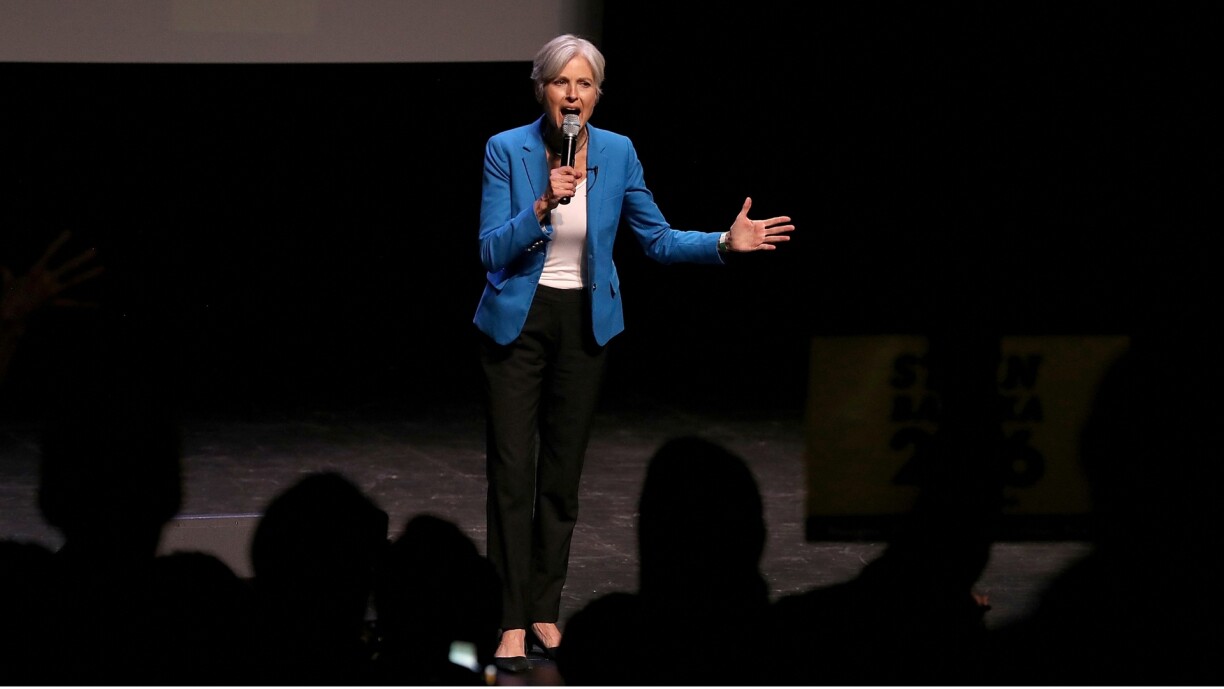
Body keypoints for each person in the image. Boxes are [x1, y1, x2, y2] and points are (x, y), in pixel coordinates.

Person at [472, 33, 795, 673]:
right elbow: (489, 250)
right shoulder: (506, 149)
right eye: (561, 83)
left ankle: (544, 608)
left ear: (596, 94)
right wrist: (542, 204)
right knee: (513, 476)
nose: (573, 95)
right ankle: (508, 619)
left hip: (585, 325)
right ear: (542, 90)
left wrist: (725, 245)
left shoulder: (617, 152)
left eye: (585, 84)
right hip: (518, 321)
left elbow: (657, 239)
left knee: (561, 480)